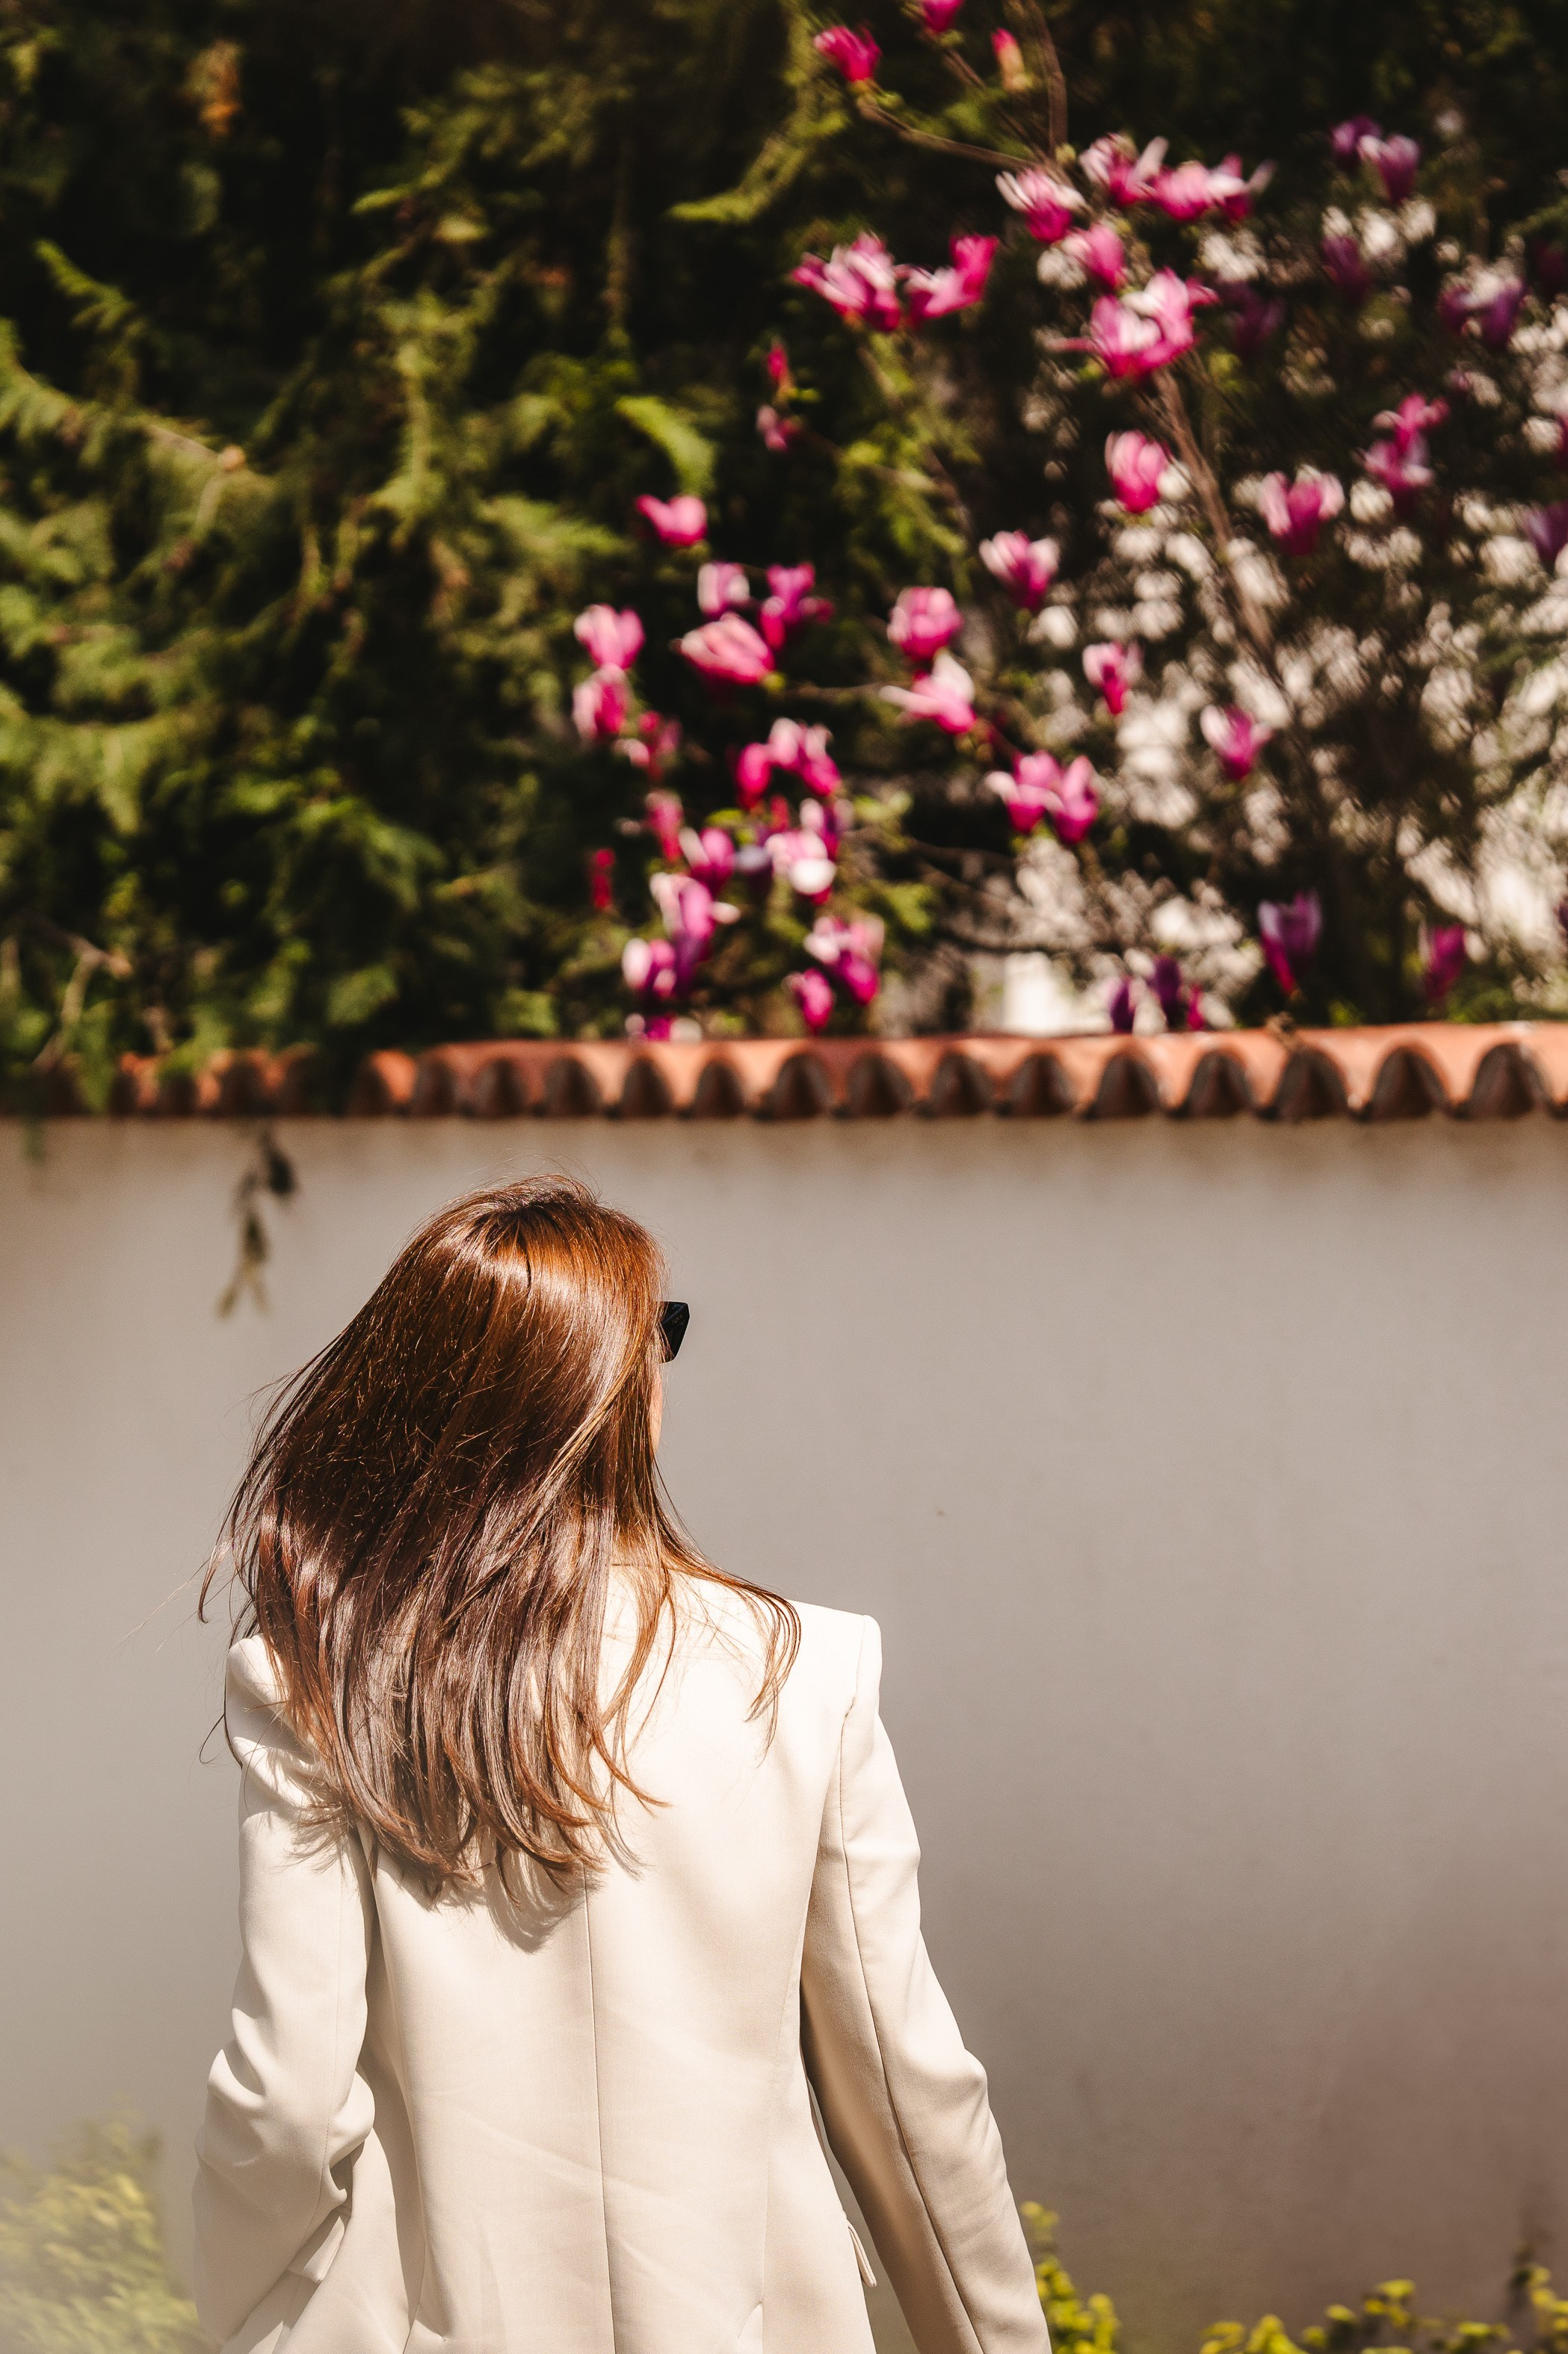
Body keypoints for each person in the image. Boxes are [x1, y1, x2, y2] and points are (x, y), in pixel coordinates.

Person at [193, 1176, 1046, 2354]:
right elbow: (909, 2101)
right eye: (658, 1338)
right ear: (605, 1388)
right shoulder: (803, 1677)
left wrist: (249, 2318)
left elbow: (285, 2099)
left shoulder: (318, 1679)